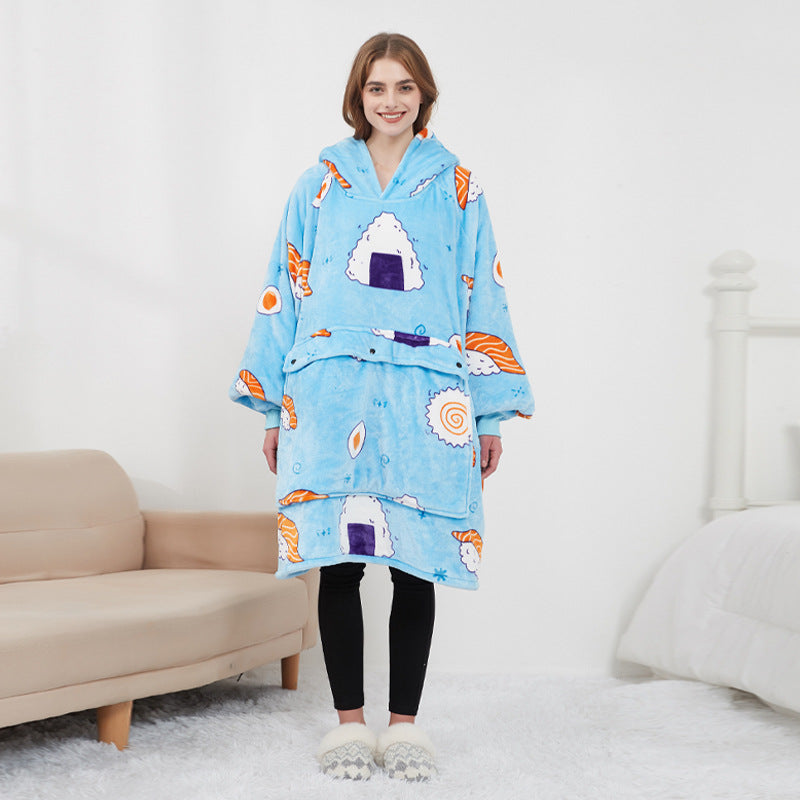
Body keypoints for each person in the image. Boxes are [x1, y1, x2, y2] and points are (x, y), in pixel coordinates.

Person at [230, 32, 533, 781]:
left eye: (403, 87)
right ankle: (346, 726)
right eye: (376, 88)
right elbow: (284, 286)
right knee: (338, 564)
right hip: (328, 392)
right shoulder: (320, 183)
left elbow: (482, 292)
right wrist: (272, 409)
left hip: (426, 395)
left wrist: (487, 413)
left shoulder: (456, 185)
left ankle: (404, 727)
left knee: (415, 562)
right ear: (357, 96)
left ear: (423, 94)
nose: (390, 101)